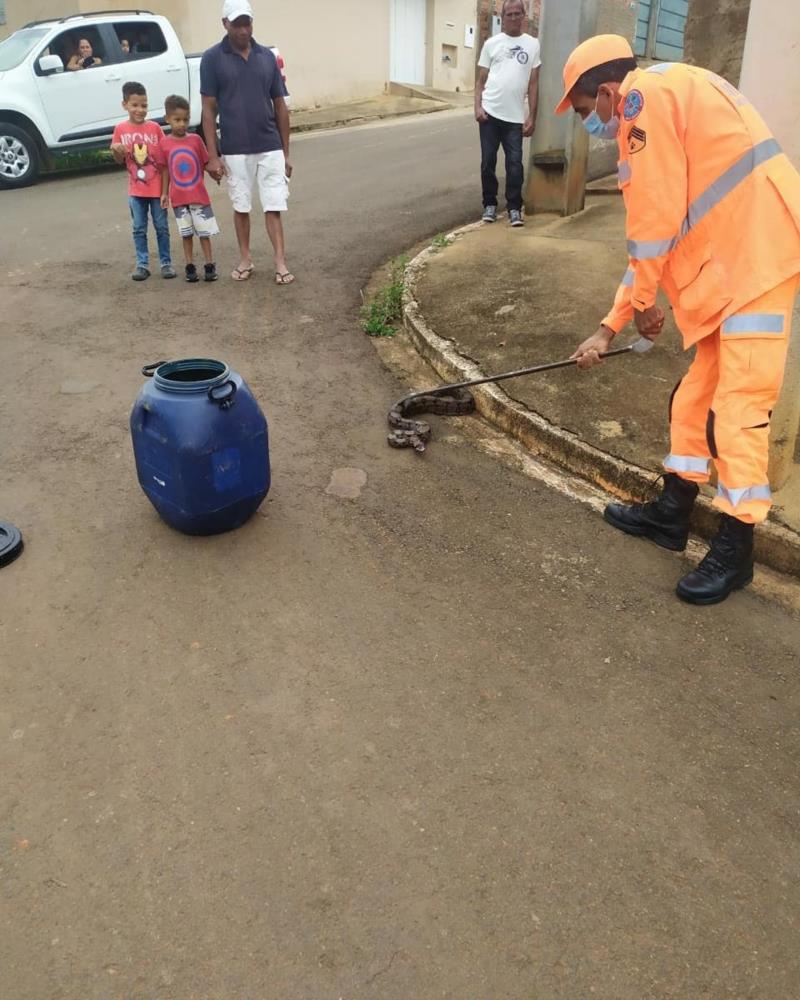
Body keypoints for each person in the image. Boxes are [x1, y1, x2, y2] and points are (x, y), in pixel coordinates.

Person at [558, 35, 800, 605]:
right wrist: (609, 326)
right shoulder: (670, 90)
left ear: (611, 93)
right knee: (695, 399)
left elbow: (654, 217)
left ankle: (736, 547)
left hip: (755, 262)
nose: (592, 124)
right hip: (733, 264)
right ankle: (672, 513)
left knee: (737, 411)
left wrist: (641, 305)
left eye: (589, 111)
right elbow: (658, 241)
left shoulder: (644, 101)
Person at [200, 0, 293, 284]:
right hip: (235, 148)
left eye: (247, 23)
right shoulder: (212, 58)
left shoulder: (266, 57)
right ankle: (245, 258)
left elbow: (280, 106)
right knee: (241, 206)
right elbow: (208, 109)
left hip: (270, 145)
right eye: (237, 24)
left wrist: (286, 154)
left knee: (273, 205)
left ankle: (280, 262)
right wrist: (212, 156)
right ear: (225, 24)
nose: (243, 30)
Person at [474, 0, 541, 227]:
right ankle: (489, 205)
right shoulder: (492, 44)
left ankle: (514, 208)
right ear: (502, 17)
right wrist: (477, 107)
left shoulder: (532, 45)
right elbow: (480, 80)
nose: (513, 17)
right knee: (488, 162)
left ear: (524, 16)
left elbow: (533, 84)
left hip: (514, 119)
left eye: (517, 13)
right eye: (509, 14)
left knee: (515, 164)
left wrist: (532, 115)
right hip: (490, 114)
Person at [110, 81, 175, 281]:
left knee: (162, 227)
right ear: (125, 105)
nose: (140, 110)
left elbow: (164, 162)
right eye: (135, 105)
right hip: (136, 191)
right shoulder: (120, 130)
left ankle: (166, 263)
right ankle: (142, 264)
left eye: (144, 105)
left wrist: (166, 191)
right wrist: (117, 151)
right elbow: (119, 159)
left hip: (157, 190)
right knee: (139, 228)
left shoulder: (155, 128)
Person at [160, 94, 220, 283]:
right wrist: (164, 193)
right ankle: (189, 265)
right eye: (177, 120)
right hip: (178, 198)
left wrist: (215, 174)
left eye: (185, 119)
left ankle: (209, 265)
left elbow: (205, 163)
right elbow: (165, 170)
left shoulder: (195, 140)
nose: (182, 124)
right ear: (167, 119)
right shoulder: (164, 144)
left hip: (198, 197)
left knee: (204, 233)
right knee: (186, 235)